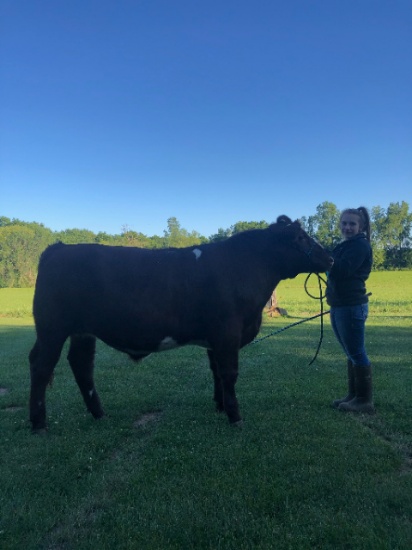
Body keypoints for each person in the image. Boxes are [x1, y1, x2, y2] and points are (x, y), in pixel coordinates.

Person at [326, 206, 375, 414]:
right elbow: (333, 263)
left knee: (357, 352)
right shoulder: (345, 246)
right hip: (339, 305)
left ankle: (364, 401)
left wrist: (324, 259)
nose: (347, 227)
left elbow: (342, 270)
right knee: (350, 352)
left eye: (352, 224)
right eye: (344, 223)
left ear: (360, 226)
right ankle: (353, 396)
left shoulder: (360, 246)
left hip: (351, 306)